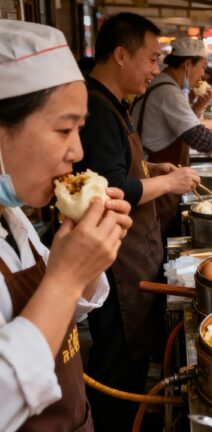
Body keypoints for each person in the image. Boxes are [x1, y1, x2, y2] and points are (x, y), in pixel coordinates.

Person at [0, 20, 132, 431]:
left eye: (80, 129)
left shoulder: (12, 216)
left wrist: (87, 264)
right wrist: (66, 277)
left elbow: (61, 313)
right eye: (64, 129)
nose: (76, 150)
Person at [75, 13, 200, 430]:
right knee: (117, 370)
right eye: (151, 58)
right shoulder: (95, 108)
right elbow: (109, 187)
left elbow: (119, 168)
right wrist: (173, 182)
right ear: (121, 54)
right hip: (115, 268)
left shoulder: (114, 103)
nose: (155, 68)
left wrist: (152, 168)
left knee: (130, 364)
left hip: (130, 254)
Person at [130, 37, 212, 237]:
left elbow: (180, 126)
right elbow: (198, 138)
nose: (203, 73)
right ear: (187, 65)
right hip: (156, 171)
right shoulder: (168, 91)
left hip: (156, 168)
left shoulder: (165, 85)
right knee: (158, 233)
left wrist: (198, 107)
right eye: (201, 66)